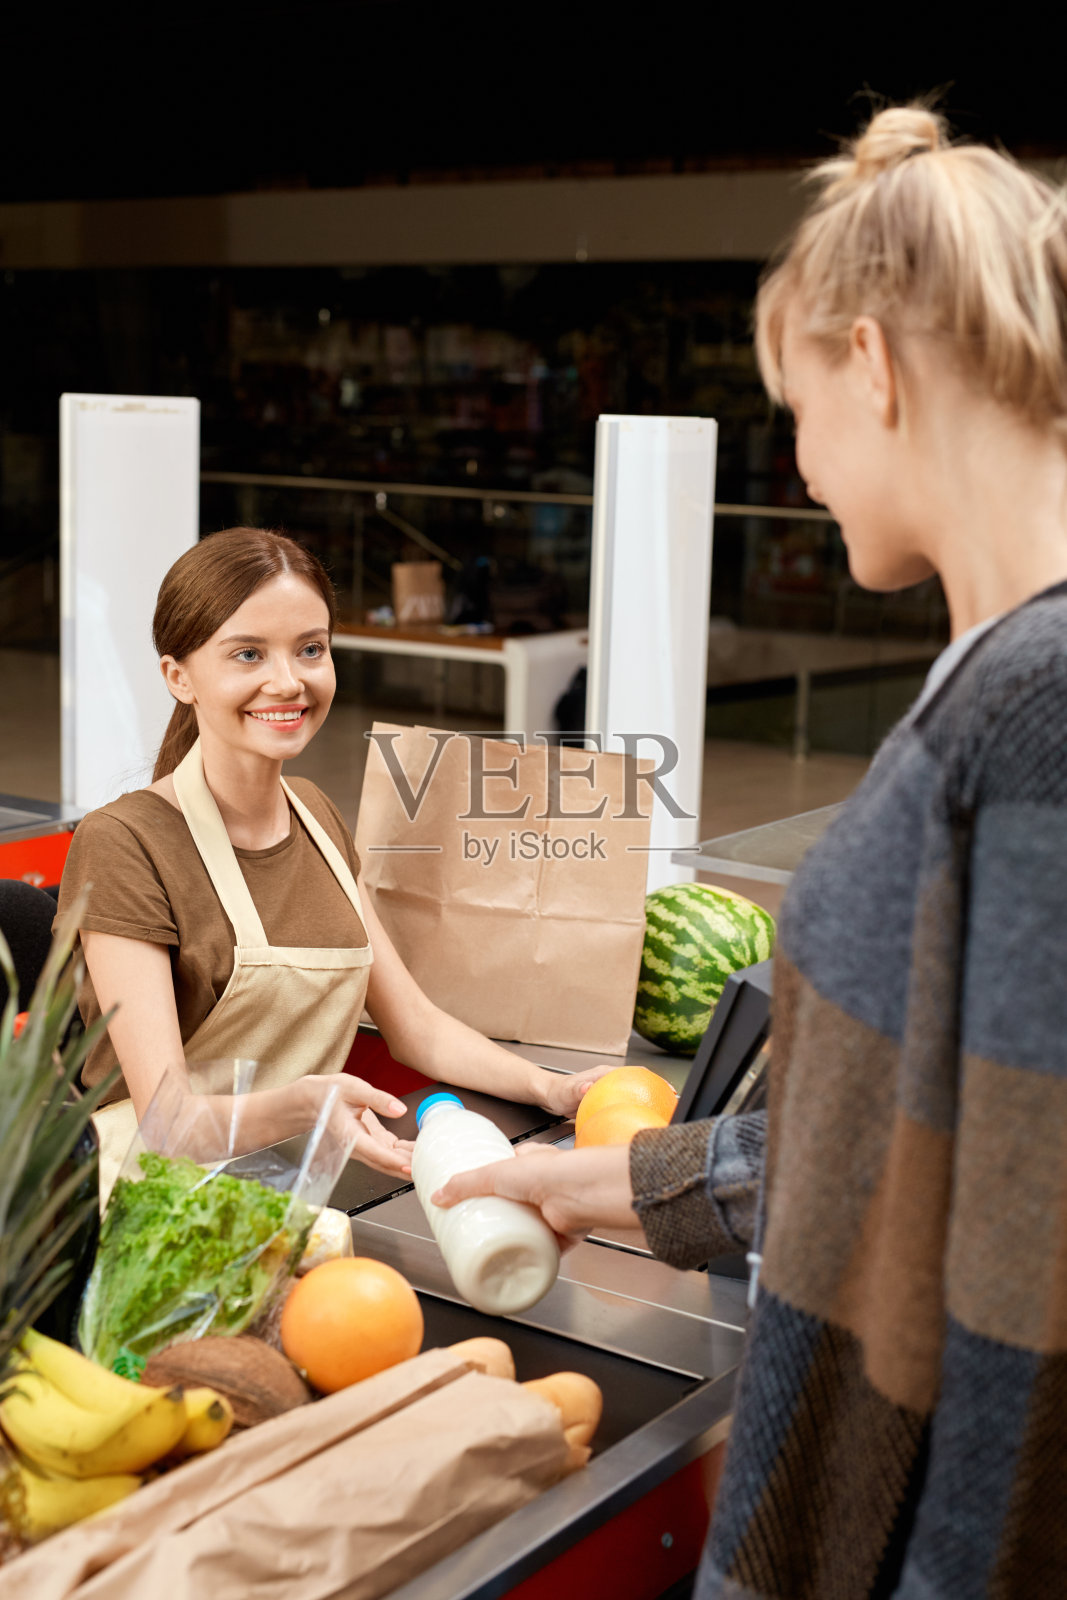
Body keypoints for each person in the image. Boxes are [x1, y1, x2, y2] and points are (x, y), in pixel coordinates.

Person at [435, 105, 1067, 1598]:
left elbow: (1026, 1289)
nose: (795, 466)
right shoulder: (994, 681)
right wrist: (589, 1191)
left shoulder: (1033, 711)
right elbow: (900, 1142)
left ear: (871, 362)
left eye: (792, 408)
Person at [57, 526, 604, 1185]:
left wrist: (553, 1090)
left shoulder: (314, 813)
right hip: (150, 1212)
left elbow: (416, 1029)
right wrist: (307, 1104)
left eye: (309, 649)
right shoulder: (123, 844)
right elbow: (171, 1124)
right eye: (248, 655)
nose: (287, 682)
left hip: (289, 1185)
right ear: (179, 677)